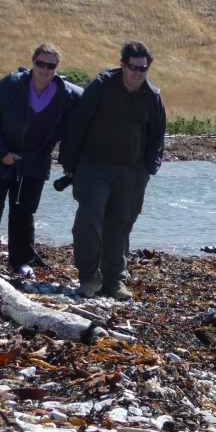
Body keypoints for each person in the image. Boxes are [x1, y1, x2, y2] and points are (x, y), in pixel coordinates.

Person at [59, 40, 166, 299]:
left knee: (120, 224)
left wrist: (149, 168)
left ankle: (114, 281)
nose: (137, 73)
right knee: (89, 217)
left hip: (131, 171)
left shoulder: (152, 97)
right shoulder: (101, 86)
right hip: (93, 166)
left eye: (143, 69)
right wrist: (70, 165)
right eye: (133, 67)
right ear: (122, 65)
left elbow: (157, 136)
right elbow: (77, 125)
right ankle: (88, 276)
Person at [0, 43, 82, 277]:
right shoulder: (10, 85)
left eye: (51, 65)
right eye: (41, 64)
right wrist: (1, 153)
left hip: (34, 162)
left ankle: (20, 262)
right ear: (33, 62)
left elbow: (90, 106)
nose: (45, 69)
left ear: (57, 68)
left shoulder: (67, 94)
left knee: (24, 212)